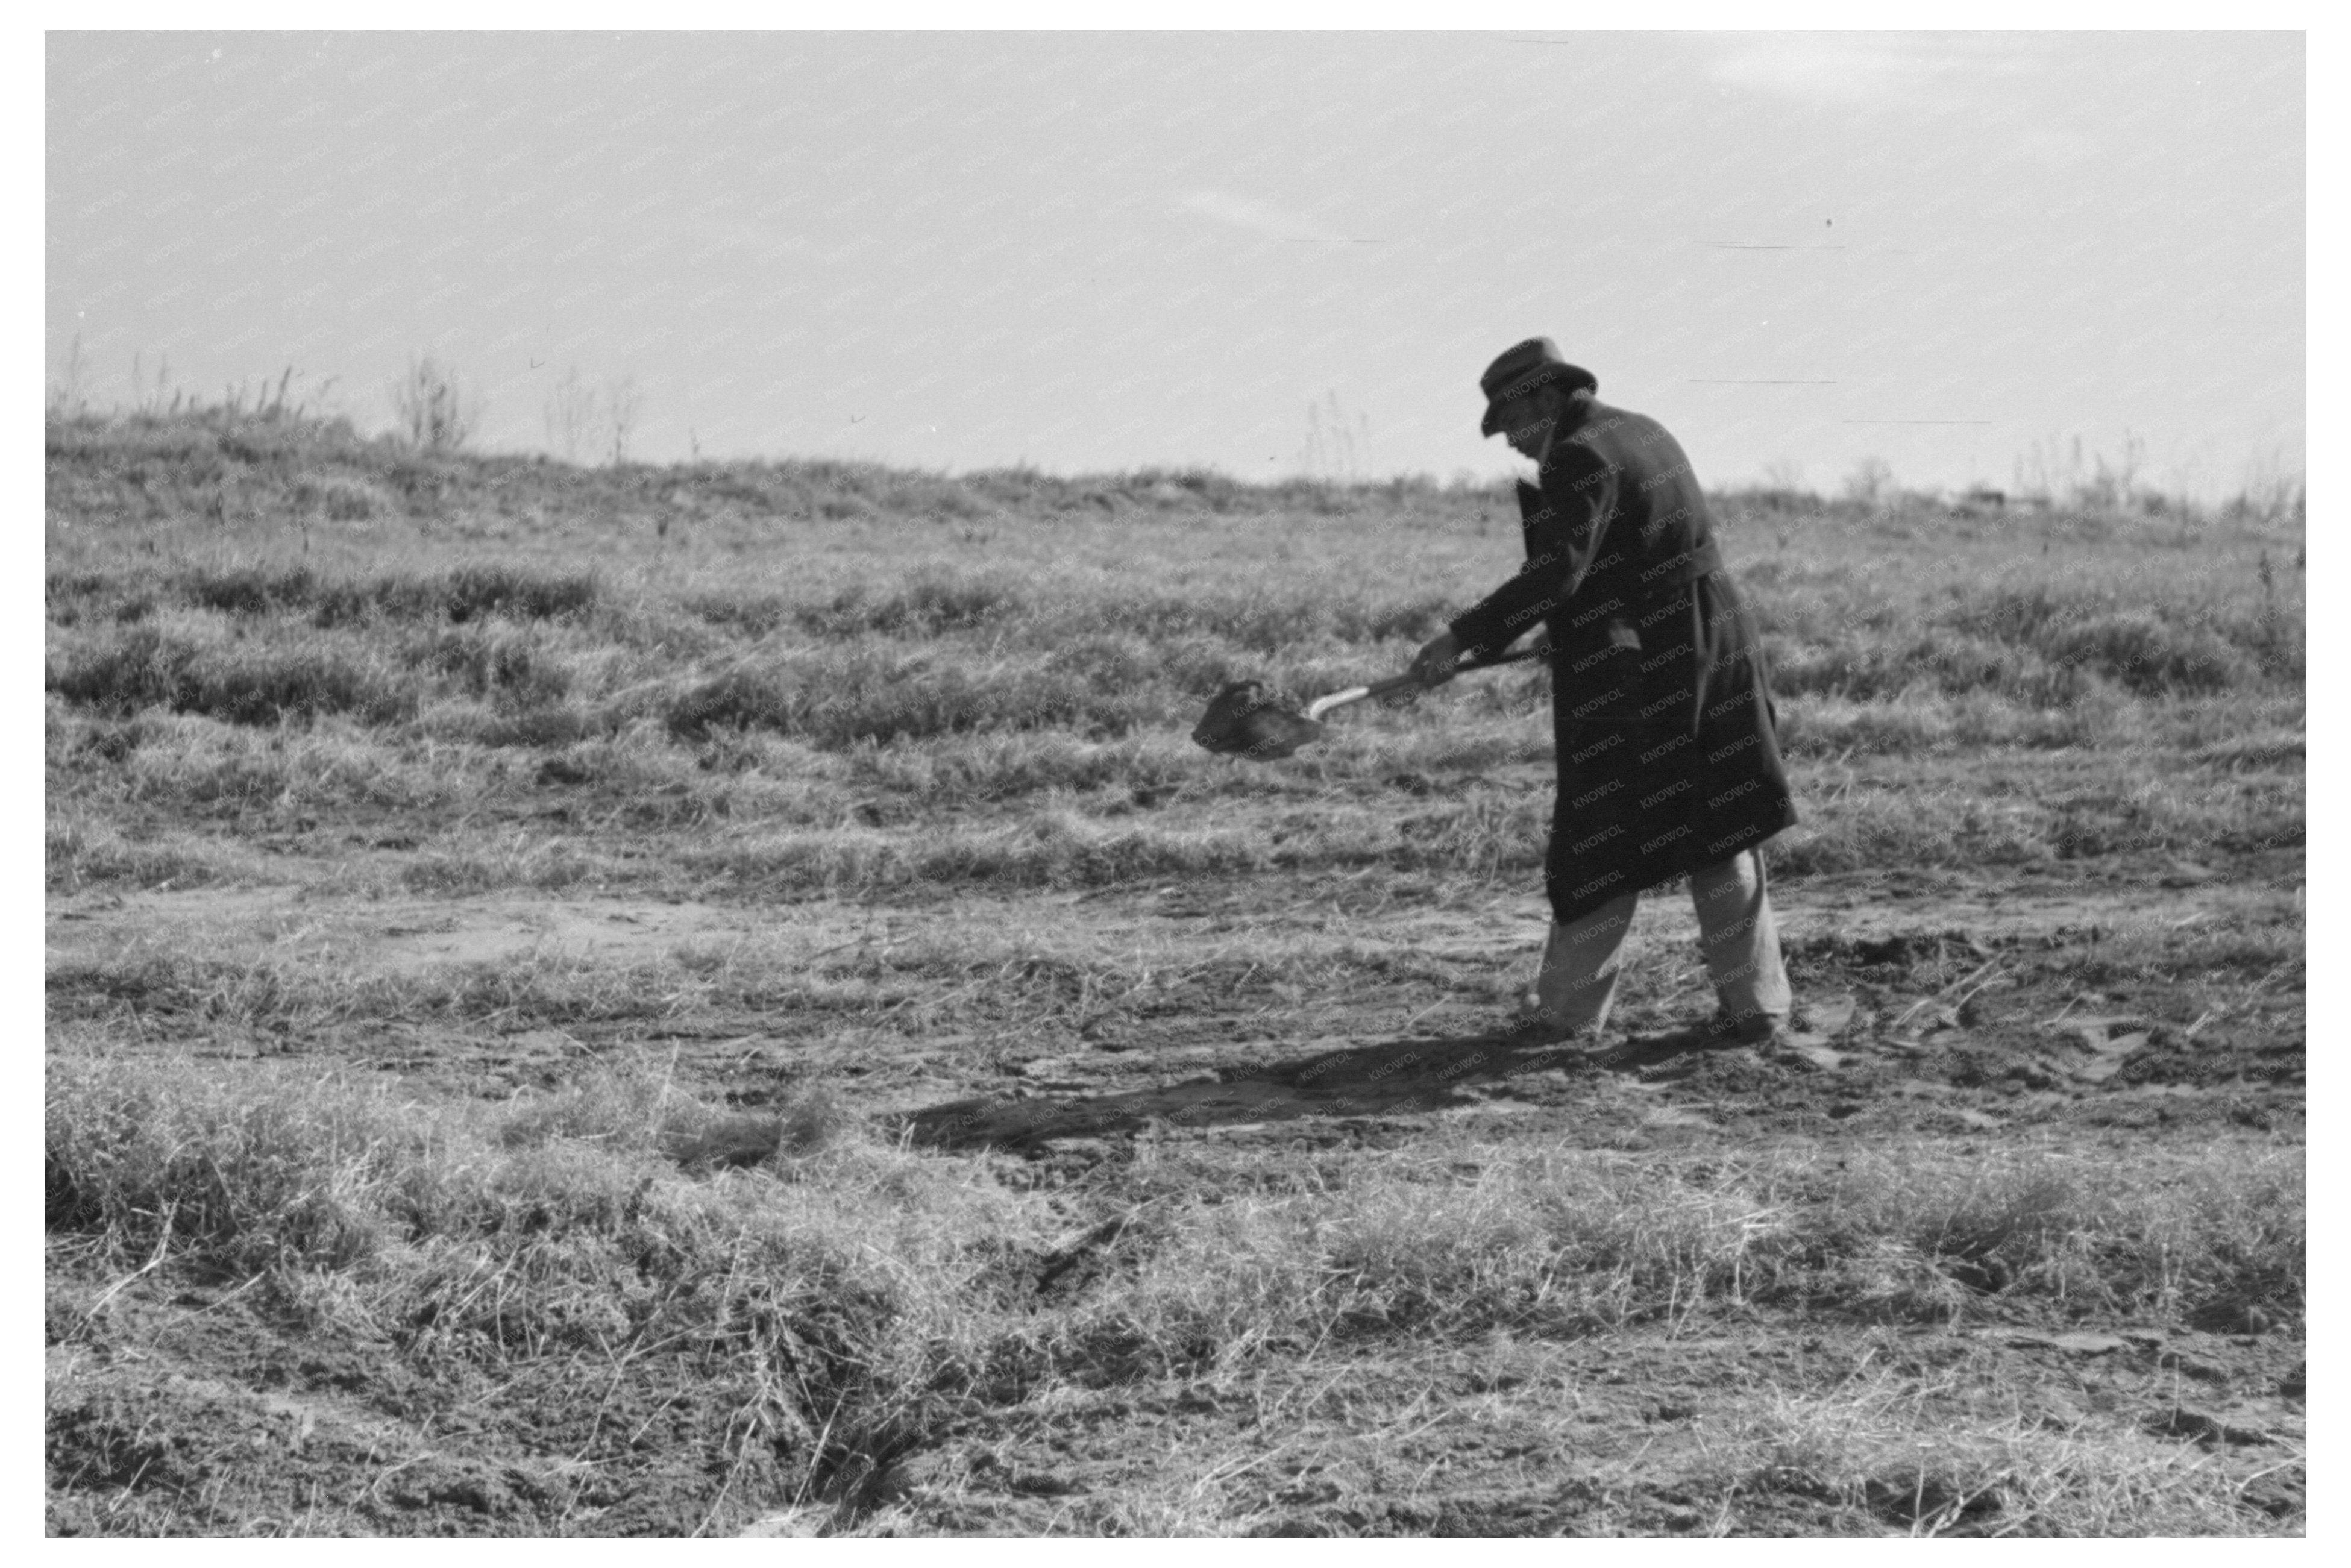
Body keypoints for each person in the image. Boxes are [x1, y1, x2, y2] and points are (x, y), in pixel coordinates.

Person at [1408, 339, 1799, 1049]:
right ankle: (1758, 1010)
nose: (1517, 447)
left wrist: (1460, 637)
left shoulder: (1579, 453)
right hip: (1710, 644)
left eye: (1513, 424)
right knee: (1719, 826)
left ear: (1544, 397)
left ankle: (1565, 1020)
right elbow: (1631, 558)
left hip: (1654, 667)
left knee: (1599, 835)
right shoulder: (1640, 429)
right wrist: (1572, 630)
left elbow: (1559, 570)